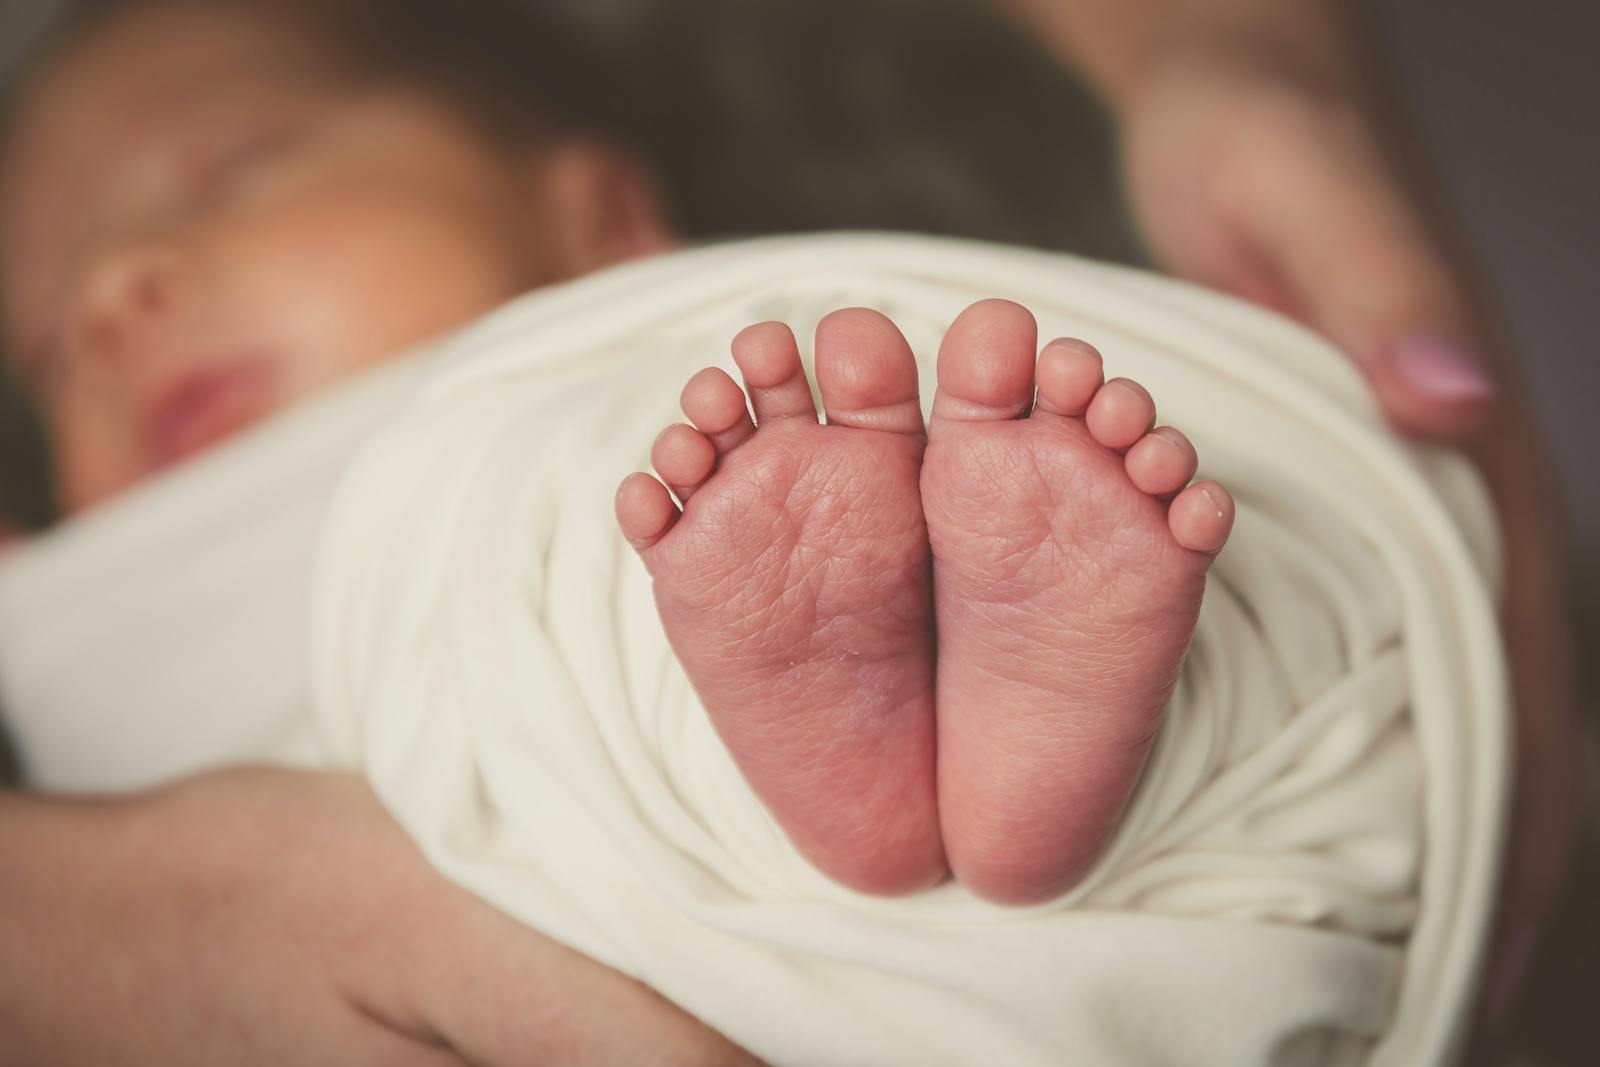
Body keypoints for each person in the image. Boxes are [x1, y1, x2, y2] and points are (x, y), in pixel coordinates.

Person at [0, 0, 1573, 1061]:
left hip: (642, 638)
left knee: (591, 506)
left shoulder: (650, 384)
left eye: (229, 171)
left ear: (599, 214)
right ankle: (937, 736)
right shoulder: (77, 599)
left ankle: (954, 720)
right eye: (53, 349)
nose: (116, 294)